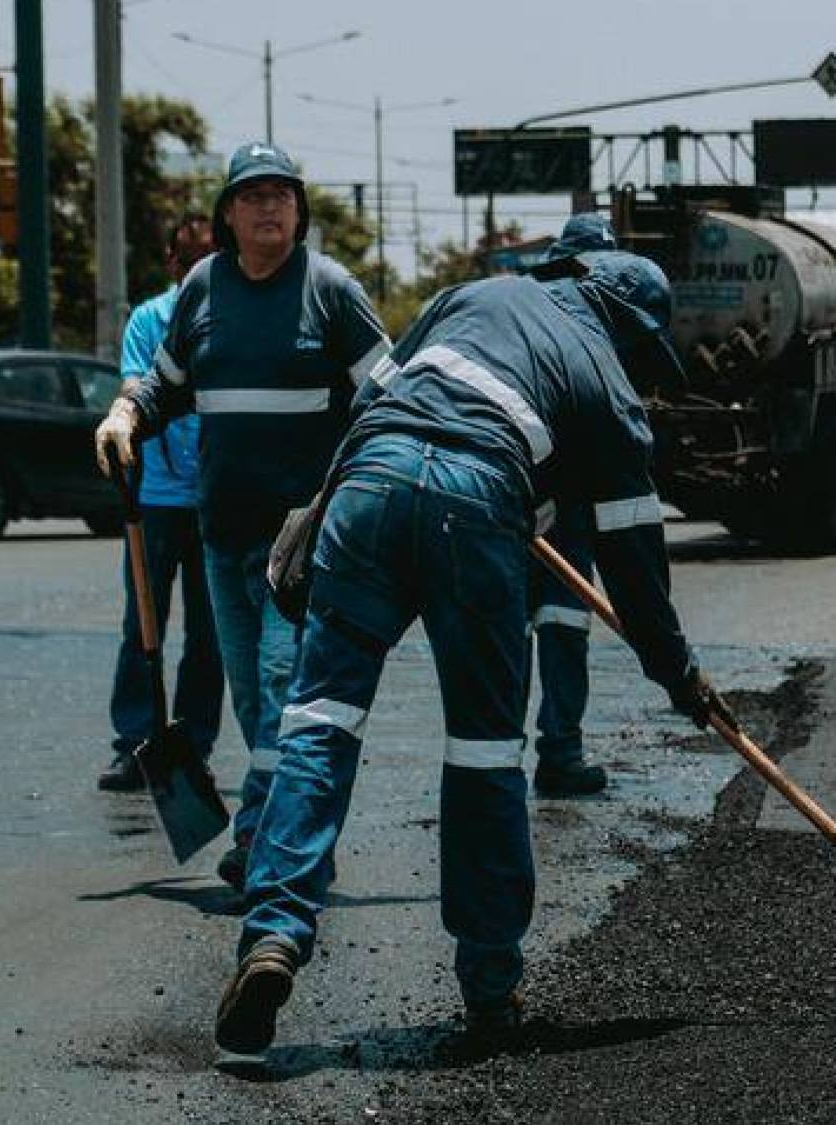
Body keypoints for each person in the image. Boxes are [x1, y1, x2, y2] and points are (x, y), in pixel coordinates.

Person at [206, 249, 721, 1060]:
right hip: (474, 505)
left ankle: (272, 934)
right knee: (484, 753)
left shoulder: (475, 293)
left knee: (320, 721)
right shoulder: (612, 390)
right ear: (624, 324)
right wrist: (679, 675)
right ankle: (489, 989)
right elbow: (635, 569)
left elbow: (371, 406)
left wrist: (321, 516)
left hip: (369, 489)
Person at [95, 142, 389, 889]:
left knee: (286, 682)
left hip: (303, 541)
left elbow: (390, 396)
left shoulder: (330, 290)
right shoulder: (203, 290)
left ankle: (261, 839)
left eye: (282, 195)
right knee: (258, 697)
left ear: (300, 210)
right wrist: (127, 415)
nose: (268, 207)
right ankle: (294, 841)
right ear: (227, 213)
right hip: (221, 535)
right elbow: (165, 385)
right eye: (252, 195)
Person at [98, 217, 227, 791]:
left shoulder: (234, 315)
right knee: (142, 626)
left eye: (210, 258)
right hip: (154, 499)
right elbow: (135, 384)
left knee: (210, 633)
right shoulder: (149, 320)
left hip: (220, 499)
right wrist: (122, 417)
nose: (199, 269)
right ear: (172, 264)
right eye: (189, 259)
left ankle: (195, 743)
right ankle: (136, 742)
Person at [522, 214, 629, 798]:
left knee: (563, 627)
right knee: (513, 633)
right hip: (521, 502)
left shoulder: (607, 329)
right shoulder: (540, 319)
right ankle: (507, 754)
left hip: (569, 512)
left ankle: (559, 753)